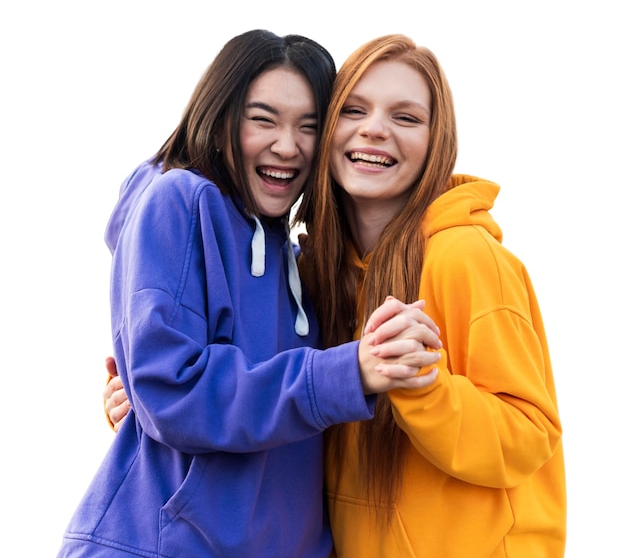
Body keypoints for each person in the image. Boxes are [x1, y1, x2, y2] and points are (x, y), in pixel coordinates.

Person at [103, 33, 567, 557]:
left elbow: (530, 435)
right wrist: (149, 405)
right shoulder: (314, 273)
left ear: (437, 141)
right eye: (353, 110)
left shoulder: (464, 256)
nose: (375, 129)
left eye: (407, 118)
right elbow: (274, 400)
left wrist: (420, 389)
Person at [56, 30, 443, 558]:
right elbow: (173, 392)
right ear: (220, 119)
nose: (288, 145)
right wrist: (348, 371)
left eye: (309, 126)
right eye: (263, 119)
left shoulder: (299, 260)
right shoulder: (178, 200)